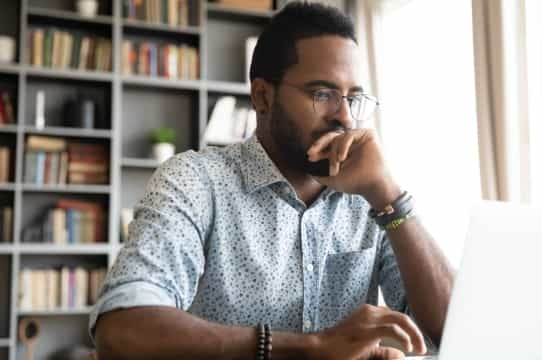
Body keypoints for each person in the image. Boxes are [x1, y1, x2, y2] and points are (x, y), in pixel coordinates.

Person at [91, 2, 454, 359]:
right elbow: (123, 328)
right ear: (262, 96)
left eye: (354, 98)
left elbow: (452, 331)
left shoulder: (373, 197)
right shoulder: (197, 181)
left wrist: (389, 193)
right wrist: (312, 348)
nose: (345, 117)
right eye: (322, 94)